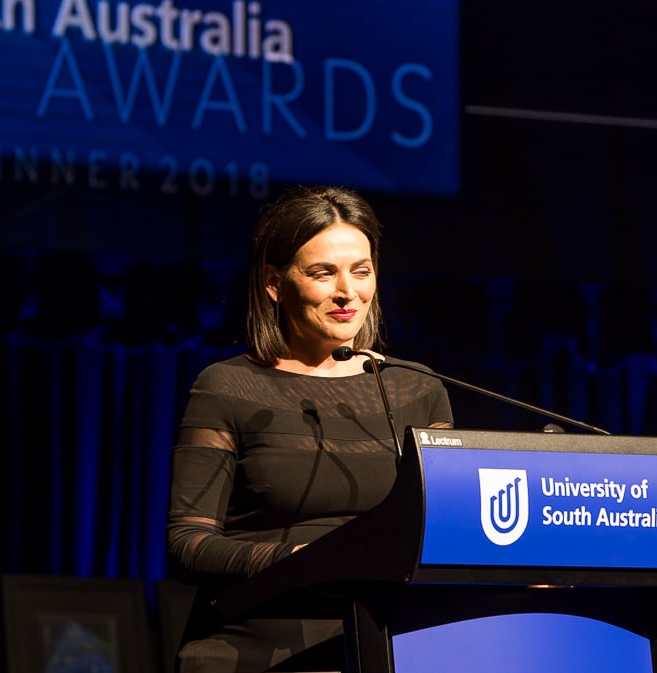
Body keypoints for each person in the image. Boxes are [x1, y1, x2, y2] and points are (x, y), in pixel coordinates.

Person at [165, 185, 453, 673]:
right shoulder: (227, 388)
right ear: (274, 283)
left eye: (361, 271)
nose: (347, 291)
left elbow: (442, 533)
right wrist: (299, 560)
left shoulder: (416, 389)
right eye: (323, 273)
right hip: (254, 653)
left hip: (382, 650)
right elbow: (187, 544)